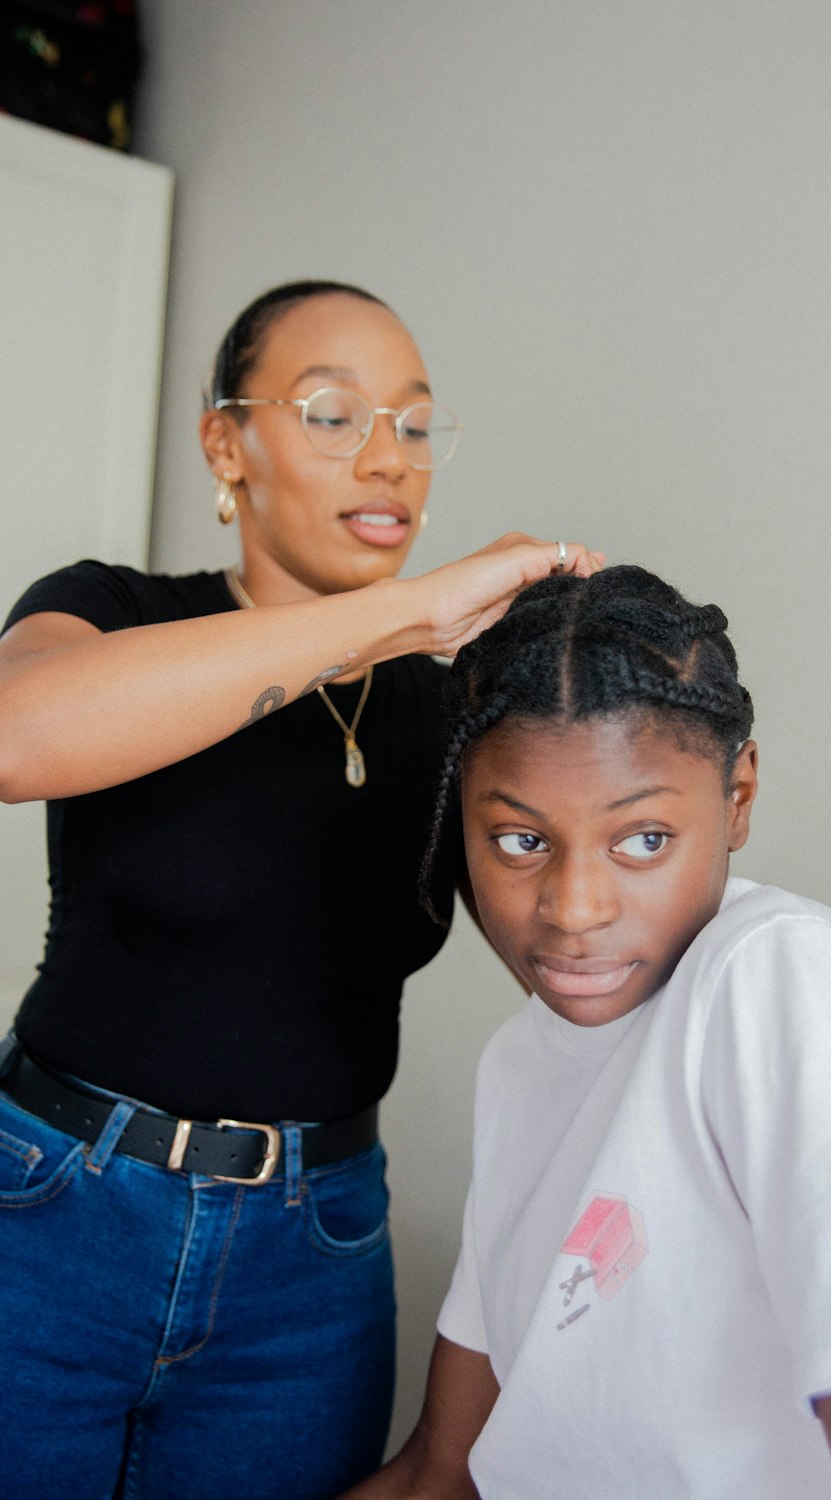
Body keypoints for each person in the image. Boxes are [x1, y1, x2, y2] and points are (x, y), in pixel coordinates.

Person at [0, 279, 601, 1500]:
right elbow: (16, 734)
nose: (387, 461)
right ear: (228, 442)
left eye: (415, 424)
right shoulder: (113, 610)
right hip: (53, 1218)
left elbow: (574, 948)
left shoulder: (451, 708)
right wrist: (402, 614)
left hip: (311, 1266)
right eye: (333, 414)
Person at [343, 564, 831, 1500]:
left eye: (642, 838)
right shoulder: (522, 1063)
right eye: (520, 840)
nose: (574, 909)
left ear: (737, 799)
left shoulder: (783, 986)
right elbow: (442, 1472)